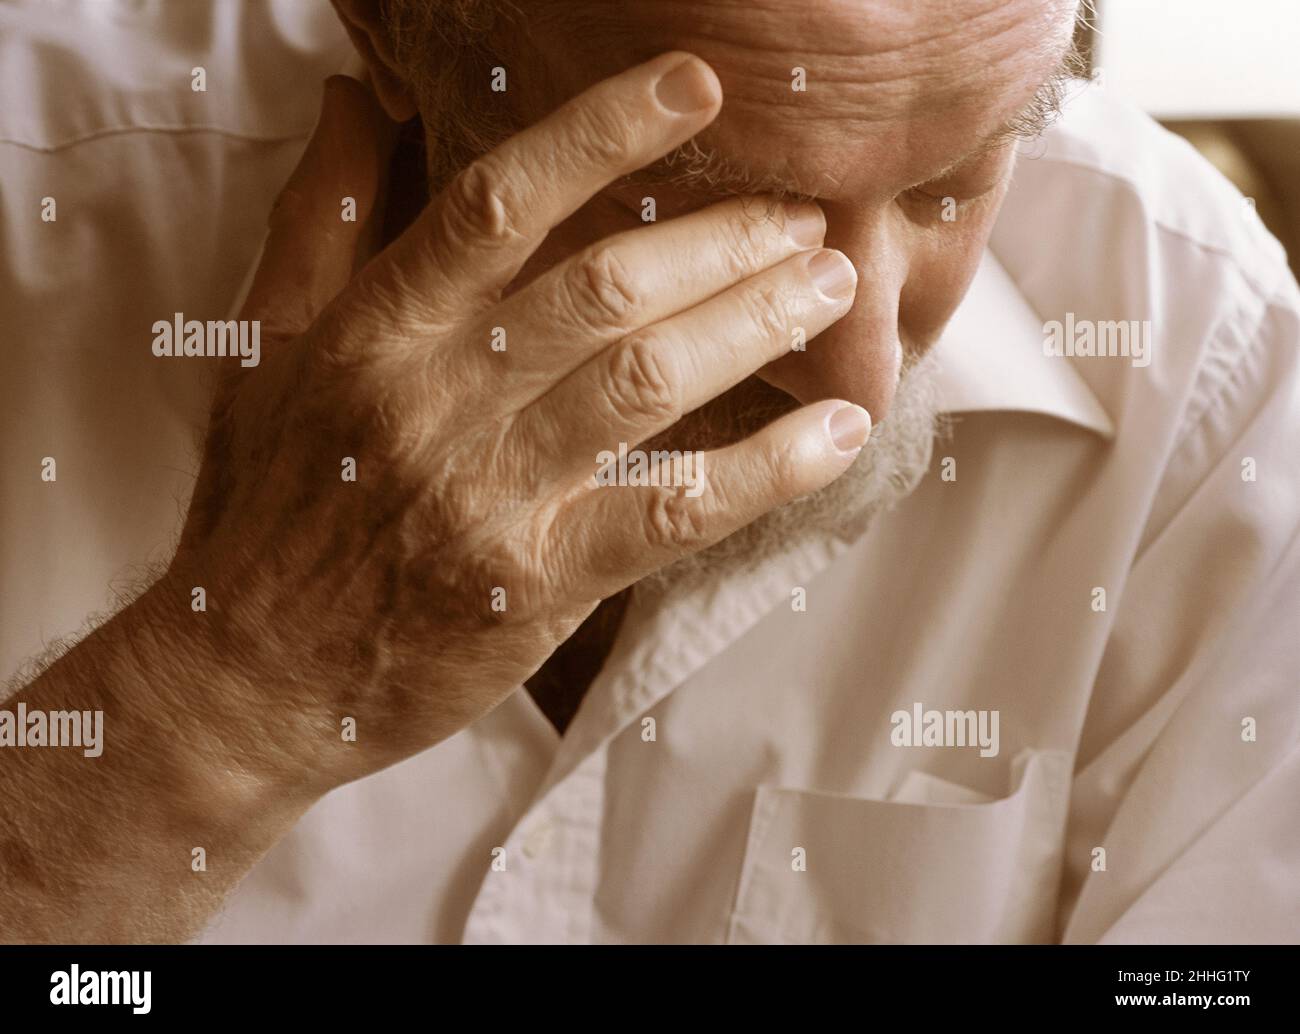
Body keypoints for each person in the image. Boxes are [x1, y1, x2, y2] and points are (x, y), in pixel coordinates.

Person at [0, 0, 1296, 944]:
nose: (862, 382)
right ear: (391, 29)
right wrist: (215, 707)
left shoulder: (1204, 364)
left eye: (951, 187)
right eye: (708, 203)